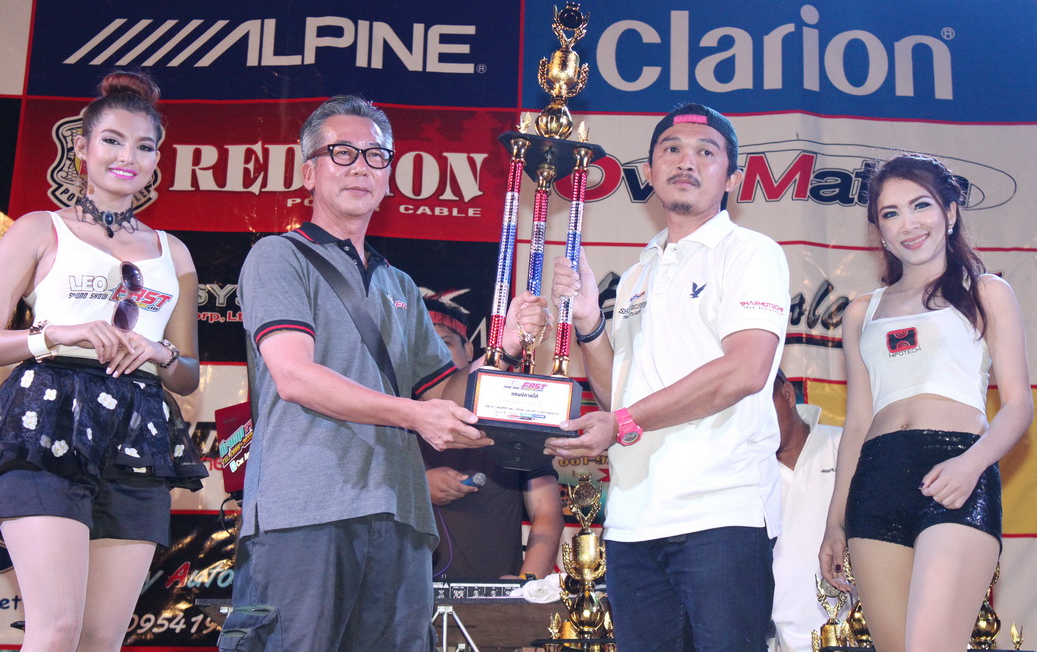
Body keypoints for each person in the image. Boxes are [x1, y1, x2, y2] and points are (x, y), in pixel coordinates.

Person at [218, 95, 546, 651]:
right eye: (341, 153)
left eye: (375, 156)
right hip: (305, 512)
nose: (359, 167)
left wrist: (503, 349)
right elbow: (295, 376)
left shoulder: (400, 285)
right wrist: (414, 415)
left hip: (402, 516)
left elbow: (442, 393)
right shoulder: (278, 257)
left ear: (389, 176)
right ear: (309, 172)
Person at [547, 103, 790, 651]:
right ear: (650, 173)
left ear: (731, 179)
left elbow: (746, 370)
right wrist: (589, 324)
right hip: (632, 520)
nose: (686, 161)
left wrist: (624, 421)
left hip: (721, 513)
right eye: (671, 150)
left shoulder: (749, 253)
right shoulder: (639, 273)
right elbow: (618, 396)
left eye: (706, 152)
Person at [0, 70, 206, 651]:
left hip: (138, 430)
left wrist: (160, 351)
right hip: (48, 422)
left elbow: (187, 373)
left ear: (157, 160)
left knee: (100, 638)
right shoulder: (40, 229)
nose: (127, 157)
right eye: (112, 140)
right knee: (57, 629)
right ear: (82, 147)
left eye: (144, 146)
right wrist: (57, 334)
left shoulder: (173, 252)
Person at [818, 154, 1031, 652]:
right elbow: (857, 423)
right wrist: (834, 522)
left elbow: (1019, 405)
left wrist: (972, 464)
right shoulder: (862, 312)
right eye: (891, 213)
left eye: (921, 205)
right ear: (879, 231)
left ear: (950, 212)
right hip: (876, 483)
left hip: (955, 473)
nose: (908, 224)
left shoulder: (985, 292)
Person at [420, 295, 564, 581]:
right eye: (423, 347)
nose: (434, 355)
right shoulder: (391, 417)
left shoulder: (512, 413)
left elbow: (547, 512)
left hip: (494, 597)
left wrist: (525, 585)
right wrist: (416, 488)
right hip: (406, 597)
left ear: (469, 349)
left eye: (444, 343)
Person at [769, 369, 841, 652]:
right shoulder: (740, 473)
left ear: (787, 394)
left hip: (853, 637)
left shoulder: (844, 447)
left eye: (761, 407)